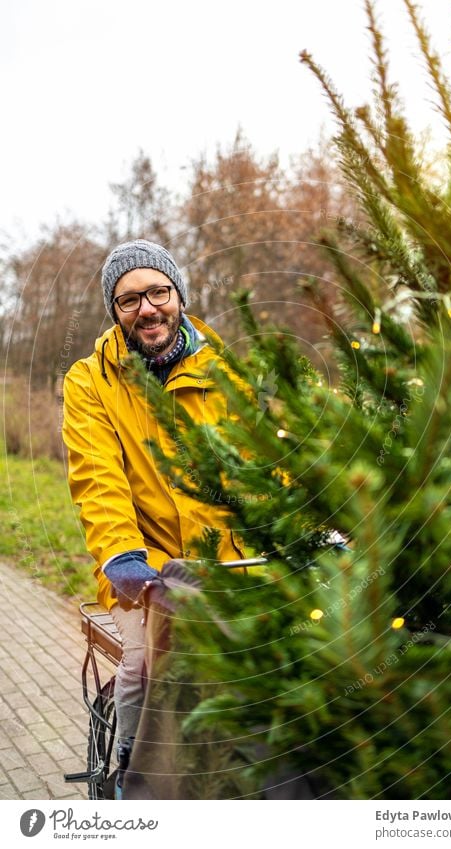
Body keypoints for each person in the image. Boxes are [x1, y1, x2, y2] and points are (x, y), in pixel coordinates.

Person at [62, 239, 244, 779]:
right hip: (145, 565)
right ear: (116, 313)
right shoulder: (89, 382)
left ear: (178, 296)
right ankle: (130, 777)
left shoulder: (223, 371)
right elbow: (98, 478)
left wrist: (308, 529)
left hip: (228, 561)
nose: (147, 308)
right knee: (143, 664)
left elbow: (264, 465)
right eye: (129, 299)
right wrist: (122, 556)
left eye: (158, 291)